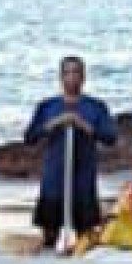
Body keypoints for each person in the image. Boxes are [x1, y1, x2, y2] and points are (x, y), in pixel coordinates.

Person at [24, 56, 117, 248]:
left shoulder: (96, 107)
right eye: (67, 72)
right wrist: (54, 123)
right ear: (61, 76)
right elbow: (30, 136)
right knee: (49, 233)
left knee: (86, 237)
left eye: (76, 72)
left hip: (83, 179)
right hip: (54, 179)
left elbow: (109, 137)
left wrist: (83, 125)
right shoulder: (47, 106)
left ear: (83, 77)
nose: (72, 77)